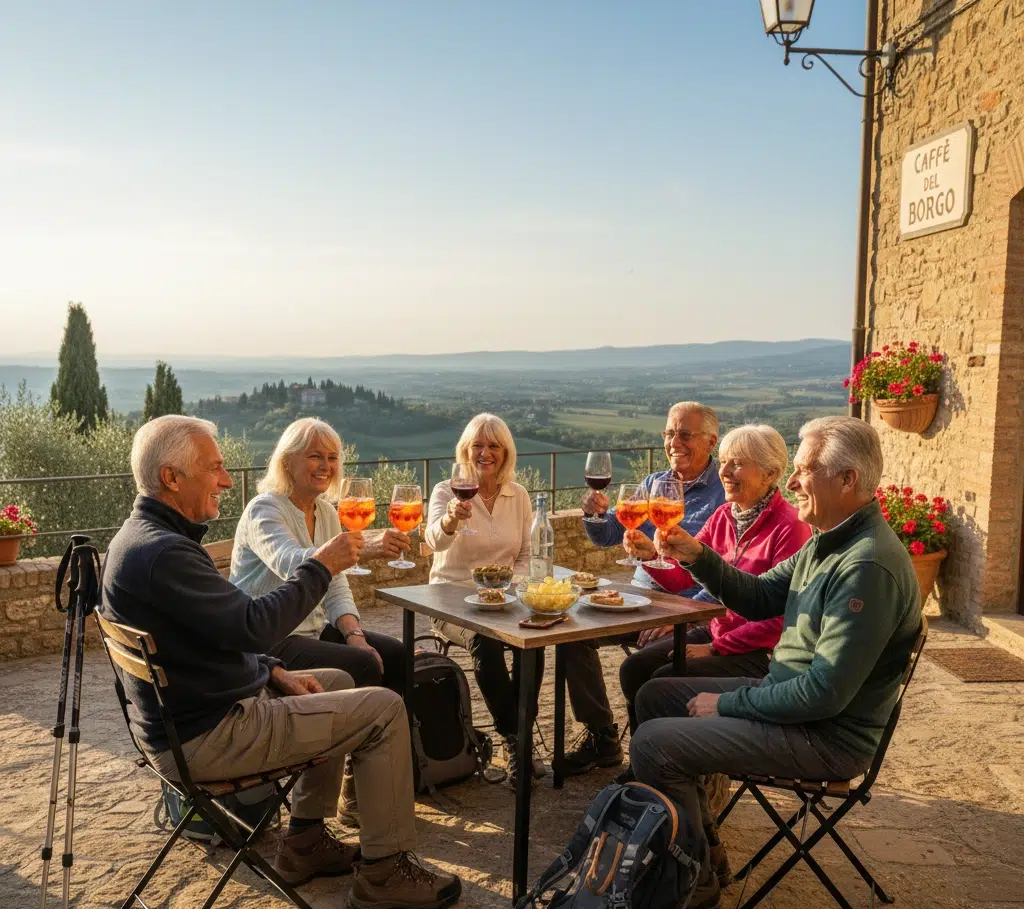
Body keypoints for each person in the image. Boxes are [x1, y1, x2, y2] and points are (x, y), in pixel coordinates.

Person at [101, 415, 461, 909]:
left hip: (194, 718)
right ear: (171, 477)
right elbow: (254, 623)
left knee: (334, 678)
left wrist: (272, 670)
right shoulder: (165, 553)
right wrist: (322, 564)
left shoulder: (142, 539)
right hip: (211, 734)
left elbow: (220, 633)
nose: (227, 479)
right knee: (381, 707)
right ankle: (385, 875)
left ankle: (305, 840)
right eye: (215, 468)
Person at [630, 416, 922, 909]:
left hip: (824, 735)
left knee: (654, 743)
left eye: (805, 469)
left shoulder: (865, 566)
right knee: (654, 694)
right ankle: (703, 846)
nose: (791, 482)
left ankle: (690, 882)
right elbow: (761, 595)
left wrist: (729, 706)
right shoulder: (829, 540)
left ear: (848, 480)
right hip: (795, 706)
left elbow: (823, 694)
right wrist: (696, 554)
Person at [556, 402, 727, 777]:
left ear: (711, 441)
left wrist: (677, 615)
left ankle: (654, 758)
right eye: (668, 433)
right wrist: (595, 514)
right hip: (641, 597)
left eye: (685, 434)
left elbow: (721, 575)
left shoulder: (722, 494)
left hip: (687, 606)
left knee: (649, 664)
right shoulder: (653, 484)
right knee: (568, 632)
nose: (673, 442)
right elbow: (610, 537)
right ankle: (602, 736)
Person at [618, 424, 811, 733]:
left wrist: (716, 648)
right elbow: (682, 580)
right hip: (717, 631)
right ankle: (647, 760)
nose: (724, 471)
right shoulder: (724, 515)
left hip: (759, 652)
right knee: (634, 668)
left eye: (737, 463)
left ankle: (674, 759)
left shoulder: (790, 527)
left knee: (663, 679)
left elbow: (780, 618)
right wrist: (649, 558)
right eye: (723, 461)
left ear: (770, 474)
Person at [231, 417, 408, 693]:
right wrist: (363, 550)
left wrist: (355, 635)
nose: (326, 466)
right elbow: (290, 564)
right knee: (364, 665)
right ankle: (354, 732)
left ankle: (405, 734)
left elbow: (334, 583)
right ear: (287, 461)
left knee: (397, 654)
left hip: (313, 630)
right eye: (315, 456)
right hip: (270, 641)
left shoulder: (325, 512)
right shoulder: (264, 509)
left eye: (332, 457)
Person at [424, 412, 543, 789]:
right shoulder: (448, 491)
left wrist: (512, 589)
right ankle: (516, 741)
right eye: (478, 445)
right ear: (466, 450)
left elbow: (525, 555)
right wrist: (450, 521)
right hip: (450, 600)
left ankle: (518, 740)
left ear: (506, 453)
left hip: (503, 600)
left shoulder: (518, 495)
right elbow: (433, 542)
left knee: (535, 640)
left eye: (494, 446)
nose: (485, 453)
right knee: (486, 642)